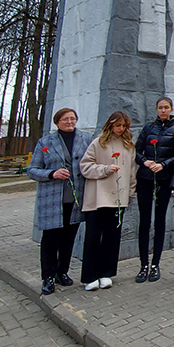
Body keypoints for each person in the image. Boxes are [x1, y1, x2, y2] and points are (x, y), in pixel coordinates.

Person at [27, 107, 91, 295]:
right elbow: (32, 170)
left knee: (68, 239)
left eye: (72, 118)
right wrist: (51, 173)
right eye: (65, 119)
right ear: (57, 122)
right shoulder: (45, 142)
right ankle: (47, 276)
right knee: (50, 240)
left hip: (76, 199)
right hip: (53, 200)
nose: (70, 122)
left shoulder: (86, 139)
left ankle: (62, 272)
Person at [79, 111, 137, 290]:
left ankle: (106, 273)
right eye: (118, 125)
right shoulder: (98, 143)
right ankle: (90, 276)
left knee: (112, 237)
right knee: (93, 237)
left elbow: (132, 171)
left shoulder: (129, 145)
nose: (121, 129)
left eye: (124, 126)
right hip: (97, 198)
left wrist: (130, 192)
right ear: (110, 125)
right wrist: (105, 169)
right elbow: (85, 166)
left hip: (118, 198)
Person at [133, 97, 174, 283]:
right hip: (145, 179)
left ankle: (155, 264)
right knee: (144, 222)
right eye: (160, 108)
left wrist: (163, 164)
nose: (163, 110)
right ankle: (143, 265)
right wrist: (145, 161)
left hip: (163, 180)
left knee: (160, 222)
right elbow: (136, 151)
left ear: (171, 109)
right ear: (156, 109)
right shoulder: (148, 128)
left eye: (166, 107)